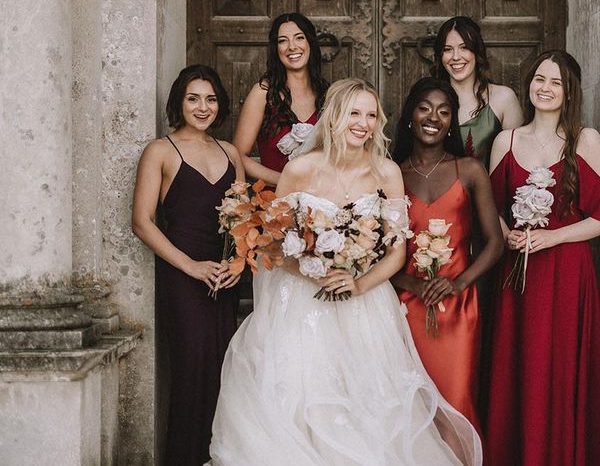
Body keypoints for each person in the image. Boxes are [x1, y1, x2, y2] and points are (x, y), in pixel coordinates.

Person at [209, 78, 482, 466]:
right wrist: (313, 269)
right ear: (335, 116)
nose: (363, 123)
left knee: (366, 407)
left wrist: (358, 283)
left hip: (364, 305)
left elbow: (395, 252)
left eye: (371, 115)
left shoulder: (386, 172)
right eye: (354, 113)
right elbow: (273, 242)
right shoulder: (299, 169)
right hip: (303, 307)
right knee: (305, 401)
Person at [485, 50, 600, 466]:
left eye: (556, 83)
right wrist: (506, 234)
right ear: (528, 84)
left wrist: (554, 237)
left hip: (568, 272)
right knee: (522, 368)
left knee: (560, 368)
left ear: (569, 93)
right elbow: (493, 207)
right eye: (539, 79)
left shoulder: (586, 140)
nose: (545, 88)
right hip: (519, 276)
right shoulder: (505, 141)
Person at [132, 65, 245, 466]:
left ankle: (218, 457)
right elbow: (142, 222)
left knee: (223, 368)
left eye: (211, 98)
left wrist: (239, 260)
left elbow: (245, 219)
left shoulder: (231, 152)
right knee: (190, 370)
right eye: (193, 98)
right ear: (179, 101)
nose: (203, 107)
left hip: (226, 279)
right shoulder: (160, 151)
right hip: (183, 275)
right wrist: (192, 267)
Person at [391, 77, 504, 435]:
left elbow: (495, 242)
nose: (433, 117)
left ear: (451, 121)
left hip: (458, 310)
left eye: (444, 111)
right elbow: (376, 249)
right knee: (409, 406)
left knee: (456, 402)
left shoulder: (469, 170)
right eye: (425, 108)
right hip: (403, 308)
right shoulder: (392, 173)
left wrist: (458, 284)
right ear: (411, 115)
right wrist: (409, 283)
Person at [234, 12, 328, 186]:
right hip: (274, 201)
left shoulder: (328, 94)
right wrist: (286, 181)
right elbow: (238, 156)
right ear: (275, 49)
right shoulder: (263, 93)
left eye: (299, 38)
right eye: (282, 40)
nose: (292, 46)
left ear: (310, 43)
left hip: (321, 201)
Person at [432, 16, 523, 170]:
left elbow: (517, 163)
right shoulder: (429, 99)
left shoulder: (504, 98)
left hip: (492, 192)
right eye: (448, 49)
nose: (455, 57)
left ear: (477, 51)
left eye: (464, 47)